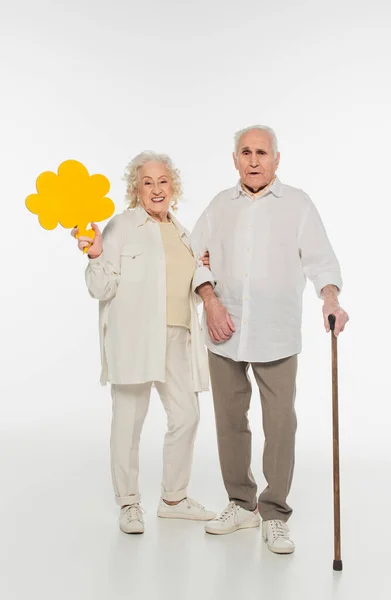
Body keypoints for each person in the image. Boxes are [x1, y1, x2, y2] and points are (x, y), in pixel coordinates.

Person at [190, 125, 349, 554]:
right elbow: (193, 255)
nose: (254, 160)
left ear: (277, 159)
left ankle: (274, 512)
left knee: (280, 424)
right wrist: (210, 300)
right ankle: (241, 504)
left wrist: (329, 300)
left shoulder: (297, 204)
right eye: (246, 152)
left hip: (276, 332)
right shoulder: (219, 206)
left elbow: (321, 261)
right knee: (229, 421)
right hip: (225, 331)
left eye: (263, 152)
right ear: (235, 159)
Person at [72, 152, 216, 534]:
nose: (156, 189)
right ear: (136, 190)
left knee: (187, 415)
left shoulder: (184, 233)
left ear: (174, 187)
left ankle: (173, 499)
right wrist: (96, 253)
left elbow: (190, 285)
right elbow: (100, 287)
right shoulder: (121, 226)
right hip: (134, 337)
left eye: (163, 181)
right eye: (147, 182)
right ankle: (129, 503)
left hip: (178, 336)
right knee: (128, 422)